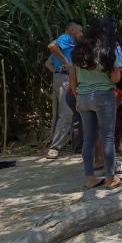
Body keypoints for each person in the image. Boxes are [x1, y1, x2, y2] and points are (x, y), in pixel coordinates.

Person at [69, 18, 122, 189]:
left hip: (83, 97)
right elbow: (116, 78)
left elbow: (72, 78)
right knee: (107, 137)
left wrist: (78, 93)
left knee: (89, 140)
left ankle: (89, 178)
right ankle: (110, 179)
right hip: (103, 97)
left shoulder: (79, 50)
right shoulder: (108, 51)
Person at [47, 20, 83, 159]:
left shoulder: (68, 46)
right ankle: (55, 147)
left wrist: (57, 70)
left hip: (66, 78)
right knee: (67, 113)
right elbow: (51, 46)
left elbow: (48, 63)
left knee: (76, 113)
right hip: (66, 80)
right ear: (72, 30)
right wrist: (66, 64)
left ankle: (78, 147)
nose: (81, 34)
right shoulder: (65, 38)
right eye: (79, 31)